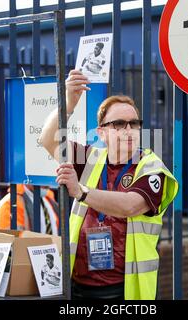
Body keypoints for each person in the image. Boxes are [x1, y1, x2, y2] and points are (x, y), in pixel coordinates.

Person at [39, 70, 179, 300]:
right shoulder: (90, 158)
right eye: (119, 124)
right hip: (77, 284)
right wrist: (68, 101)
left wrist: (81, 192)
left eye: (134, 123)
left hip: (123, 290)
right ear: (102, 133)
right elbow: (48, 138)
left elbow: (130, 206)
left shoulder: (152, 166)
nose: (128, 130)